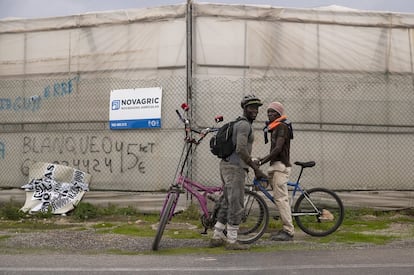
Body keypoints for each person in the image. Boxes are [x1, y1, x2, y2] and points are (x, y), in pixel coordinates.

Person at [210, 94, 268, 250]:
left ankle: (216, 236)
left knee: (227, 201)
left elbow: (241, 150)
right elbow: (241, 149)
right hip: (235, 168)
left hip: (227, 165)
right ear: (244, 108)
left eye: (256, 107)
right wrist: (256, 169)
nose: (255, 110)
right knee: (236, 203)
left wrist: (251, 162)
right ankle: (232, 241)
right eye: (251, 107)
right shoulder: (244, 126)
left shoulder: (239, 124)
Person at [256, 101, 294, 241]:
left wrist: (262, 161)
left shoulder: (282, 126)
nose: (270, 114)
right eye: (268, 112)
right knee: (278, 198)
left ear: (280, 114)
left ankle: (288, 231)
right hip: (275, 165)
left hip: (280, 166)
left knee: (281, 199)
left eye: (274, 112)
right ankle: (285, 225)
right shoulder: (274, 127)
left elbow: (278, 149)